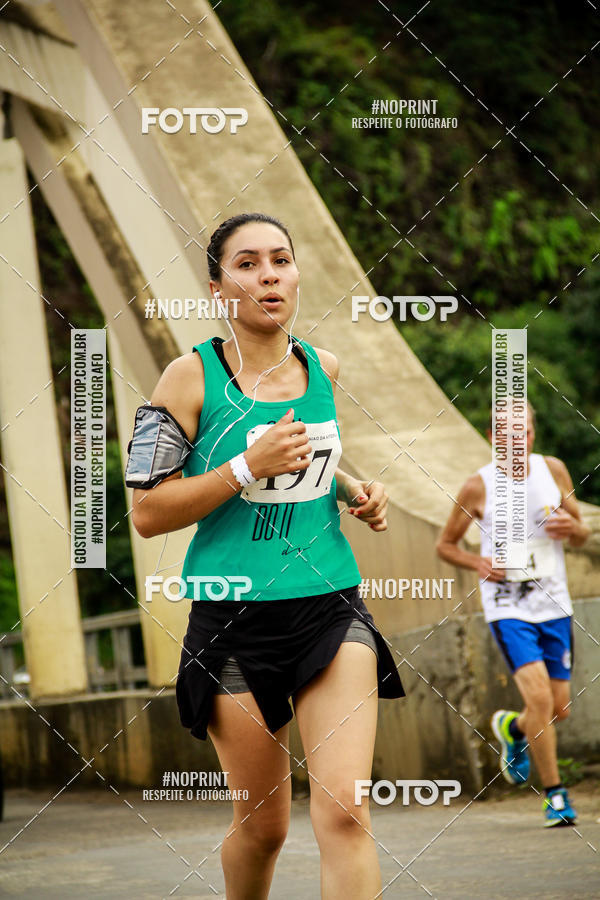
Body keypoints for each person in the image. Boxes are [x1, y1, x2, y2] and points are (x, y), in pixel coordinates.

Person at [129, 212, 404, 898]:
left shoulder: (322, 367)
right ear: (219, 287)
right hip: (231, 619)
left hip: (329, 607)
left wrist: (354, 489)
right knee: (264, 828)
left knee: (344, 808)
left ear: (296, 274)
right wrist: (245, 466)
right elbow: (147, 511)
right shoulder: (187, 379)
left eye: (280, 259)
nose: (268, 274)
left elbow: (309, 458)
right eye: (247, 264)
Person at [436, 402, 589, 827]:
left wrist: (571, 529)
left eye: (523, 432)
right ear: (491, 437)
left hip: (554, 602)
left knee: (557, 709)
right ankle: (556, 795)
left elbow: (582, 530)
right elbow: (445, 545)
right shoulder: (476, 486)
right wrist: (479, 564)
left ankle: (514, 730)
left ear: (533, 435)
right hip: (508, 605)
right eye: (506, 434)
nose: (516, 442)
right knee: (539, 698)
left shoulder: (553, 471)